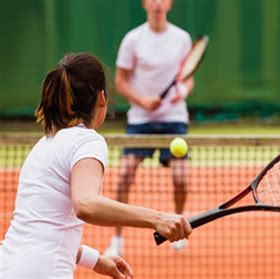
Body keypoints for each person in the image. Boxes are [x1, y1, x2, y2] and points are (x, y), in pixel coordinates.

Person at [0, 53, 192, 279]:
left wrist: (96, 260)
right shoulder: (87, 141)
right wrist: (158, 218)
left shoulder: (44, 145)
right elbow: (85, 204)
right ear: (102, 97)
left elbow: (42, 233)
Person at [105, 0, 194, 255]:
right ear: (145, 3)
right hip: (140, 121)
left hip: (174, 119)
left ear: (170, 4)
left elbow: (188, 78)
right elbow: (120, 81)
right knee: (123, 178)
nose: (157, 3)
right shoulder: (133, 39)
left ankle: (177, 225)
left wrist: (183, 91)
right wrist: (142, 100)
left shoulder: (182, 38)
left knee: (180, 179)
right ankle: (117, 240)